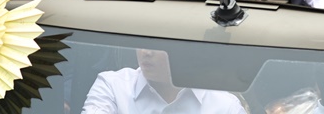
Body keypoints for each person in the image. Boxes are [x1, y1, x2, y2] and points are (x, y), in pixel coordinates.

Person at [82, 48, 246, 113]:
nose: (145, 51)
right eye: (141, 40)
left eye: (156, 43)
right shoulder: (112, 85)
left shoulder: (225, 106)